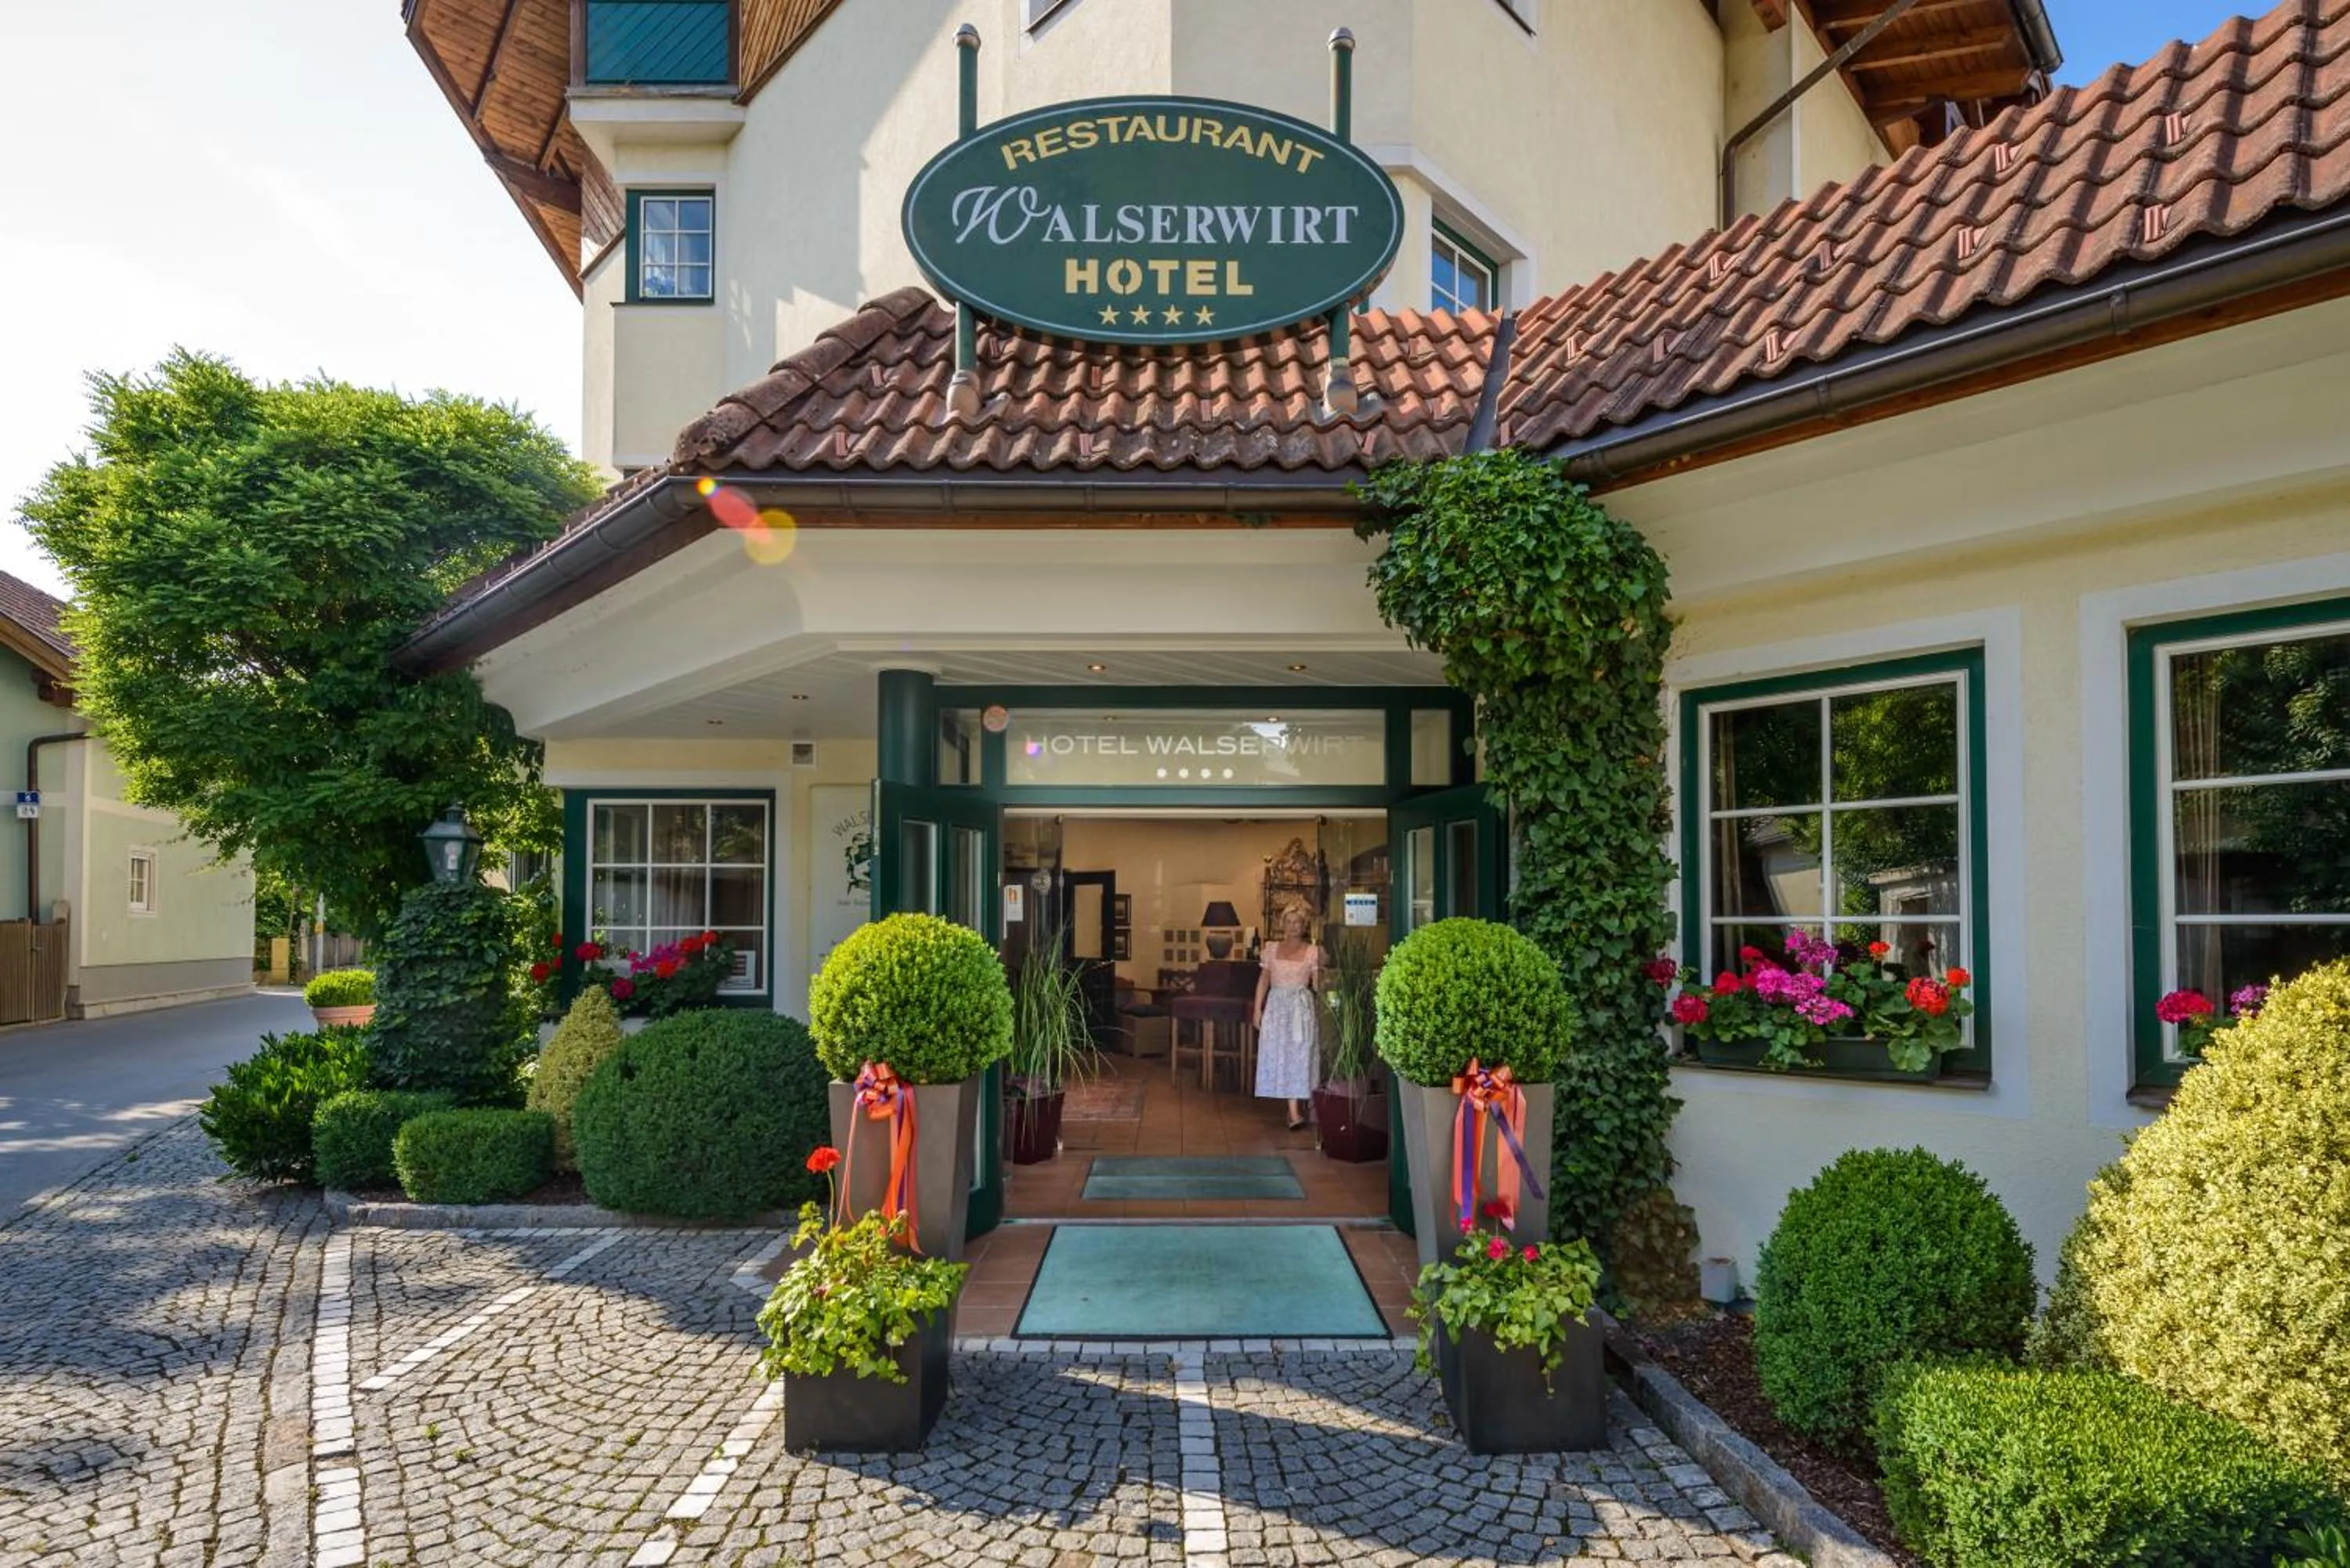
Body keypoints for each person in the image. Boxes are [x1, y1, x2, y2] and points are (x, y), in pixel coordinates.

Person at [1251, 908, 1324, 1130]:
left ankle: (1299, 1108)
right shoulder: (1272, 949)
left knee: (1301, 1054)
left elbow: (1318, 984)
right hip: (1277, 1007)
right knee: (1282, 1054)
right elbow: (1264, 980)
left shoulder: (1312, 951)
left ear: (1304, 925)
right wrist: (1257, 1010)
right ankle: (1294, 1110)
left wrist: (1323, 971)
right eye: (1289, 921)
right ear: (1283, 924)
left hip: (1301, 1008)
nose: (1293, 926)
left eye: (1298, 922)